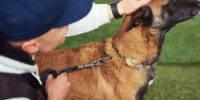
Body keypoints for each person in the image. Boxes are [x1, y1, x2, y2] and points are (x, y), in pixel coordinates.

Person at [0, 0, 151, 99]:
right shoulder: (13, 93)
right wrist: (55, 97)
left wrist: (118, 9)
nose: (69, 25)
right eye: (63, 24)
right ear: (32, 46)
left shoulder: (15, 37)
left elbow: (46, 30)